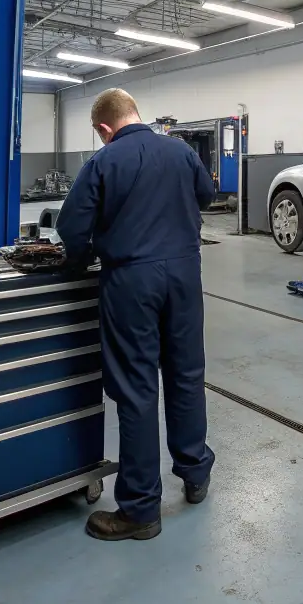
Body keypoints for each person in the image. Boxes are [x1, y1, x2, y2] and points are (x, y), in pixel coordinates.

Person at [57, 88, 217, 540]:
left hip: (131, 281)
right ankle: (195, 470)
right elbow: (206, 196)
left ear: (104, 128)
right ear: (136, 114)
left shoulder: (103, 162)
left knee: (136, 388)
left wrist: (80, 256)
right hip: (185, 275)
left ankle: (141, 509)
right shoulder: (181, 151)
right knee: (187, 374)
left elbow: (72, 227)